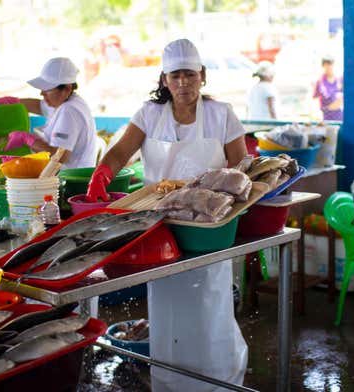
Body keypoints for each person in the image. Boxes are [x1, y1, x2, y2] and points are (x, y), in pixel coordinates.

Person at [86, 39, 248, 391]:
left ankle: (218, 381)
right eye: (175, 76)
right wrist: (102, 174)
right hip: (161, 228)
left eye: (190, 75)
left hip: (209, 228)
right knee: (168, 307)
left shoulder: (222, 114)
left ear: (202, 76)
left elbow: (241, 169)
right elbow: (120, 153)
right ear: (164, 79)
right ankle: (171, 382)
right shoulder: (149, 114)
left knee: (210, 305)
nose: (183, 83)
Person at [3, 57, 97, 169]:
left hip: (71, 180)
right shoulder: (65, 100)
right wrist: (11, 102)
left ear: (66, 89)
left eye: (47, 89)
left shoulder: (69, 111)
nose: (42, 93)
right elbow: (39, 106)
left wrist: (28, 139)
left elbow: (59, 156)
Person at [313, 55, 343, 121]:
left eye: (331, 64)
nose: (329, 67)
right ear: (323, 66)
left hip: (340, 118)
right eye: (326, 64)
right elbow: (313, 100)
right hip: (326, 119)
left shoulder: (340, 80)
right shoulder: (319, 82)